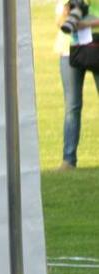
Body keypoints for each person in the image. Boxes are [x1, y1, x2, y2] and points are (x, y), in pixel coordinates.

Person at [56, 0, 99, 170]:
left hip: (96, 46)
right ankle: (68, 160)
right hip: (69, 51)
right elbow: (60, 22)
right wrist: (68, 16)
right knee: (72, 107)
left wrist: (86, 24)